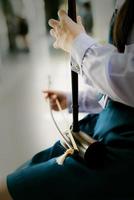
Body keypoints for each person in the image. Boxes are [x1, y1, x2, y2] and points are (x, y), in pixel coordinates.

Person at [0, 0, 134, 199]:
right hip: (99, 131)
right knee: (21, 175)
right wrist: (76, 100)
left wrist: (78, 43)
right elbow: (122, 92)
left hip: (122, 150)